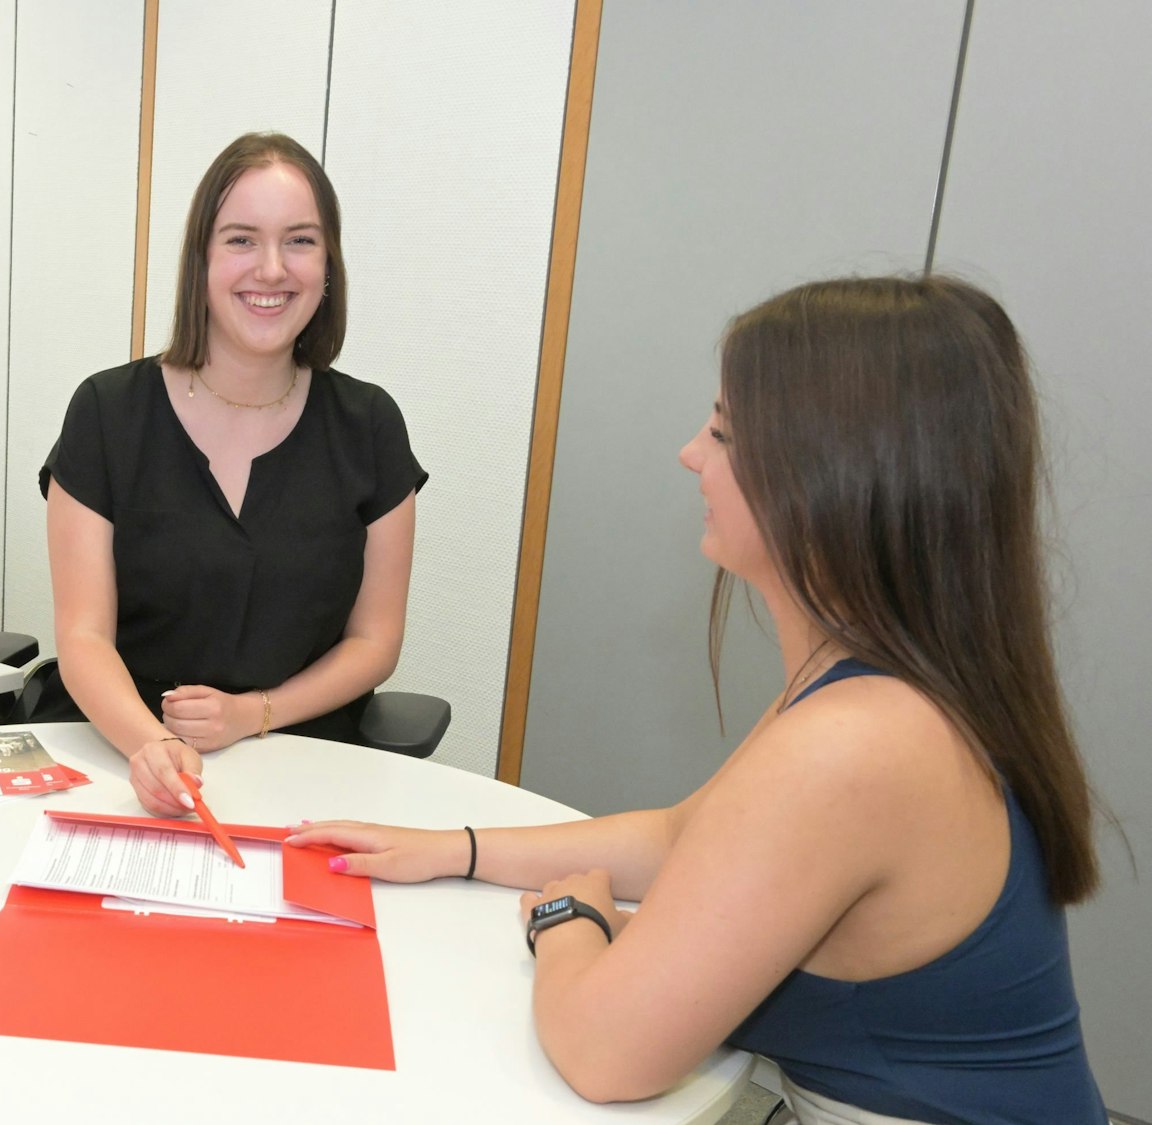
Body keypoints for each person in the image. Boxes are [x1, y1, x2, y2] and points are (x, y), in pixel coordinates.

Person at [290, 276, 1106, 1123]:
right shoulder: (878, 681)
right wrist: (455, 847)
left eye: (721, 429)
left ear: (829, 473)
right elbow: (690, 834)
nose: (691, 452)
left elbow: (604, 1054)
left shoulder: (859, 742)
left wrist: (571, 921)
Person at [38, 132, 425, 817]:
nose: (272, 268)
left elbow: (375, 642)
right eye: (242, 239)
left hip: (302, 767)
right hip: (121, 754)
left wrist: (255, 712)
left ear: (329, 264)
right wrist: (150, 745)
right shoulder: (107, 412)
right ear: (203, 260)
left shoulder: (370, 426)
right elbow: (83, 635)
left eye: (300, 241)